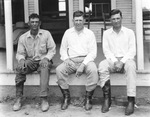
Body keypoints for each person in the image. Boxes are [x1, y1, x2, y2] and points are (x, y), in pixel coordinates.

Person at [56, 10, 98, 111]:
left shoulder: (89, 33)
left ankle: (88, 98)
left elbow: (93, 52)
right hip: (71, 60)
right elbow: (62, 49)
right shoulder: (68, 33)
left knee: (93, 70)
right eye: (76, 20)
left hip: (86, 60)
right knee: (59, 70)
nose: (78, 22)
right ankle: (66, 97)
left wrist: (83, 65)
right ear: (72, 20)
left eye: (80, 20)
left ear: (84, 20)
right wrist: (67, 59)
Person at [13, 13, 56, 112]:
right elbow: (20, 53)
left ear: (40, 23)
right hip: (30, 61)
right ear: (29, 23)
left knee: (45, 68)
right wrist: (22, 60)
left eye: (36, 22)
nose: (34, 24)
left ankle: (44, 99)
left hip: (43, 61)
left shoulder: (46, 34)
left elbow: (52, 49)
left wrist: (46, 58)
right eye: (32, 22)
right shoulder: (23, 37)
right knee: (19, 67)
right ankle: (18, 98)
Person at [98, 9, 136, 115]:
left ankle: (131, 100)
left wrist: (122, 61)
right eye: (113, 19)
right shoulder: (106, 34)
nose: (116, 21)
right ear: (110, 20)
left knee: (131, 66)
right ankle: (107, 99)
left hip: (126, 60)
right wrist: (115, 61)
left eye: (118, 18)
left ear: (121, 18)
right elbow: (106, 51)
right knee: (102, 65)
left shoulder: (129, 32)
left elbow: (132, 51)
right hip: (112, 60)